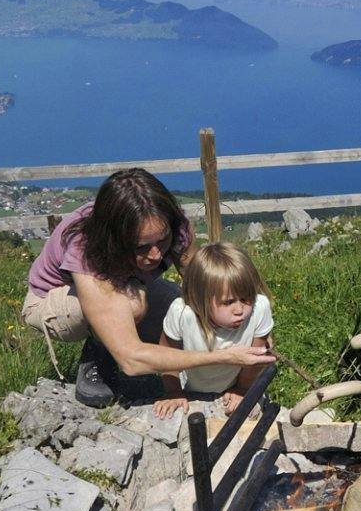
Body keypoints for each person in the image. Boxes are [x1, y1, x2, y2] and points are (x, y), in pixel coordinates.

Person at [21, 168, 270, 407]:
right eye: (141, 247)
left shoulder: (170, 222)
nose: (155, 255)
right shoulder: (87, 247)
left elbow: (201, 286)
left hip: (130, 285)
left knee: (181, 308)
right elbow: (132, 360)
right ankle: (98, 353)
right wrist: (223, 356)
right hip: (54, 301)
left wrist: (252, 328)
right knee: (132, 304)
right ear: (115, 240)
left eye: (163, 241)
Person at [154, 241, 275, 419]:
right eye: (228, 302)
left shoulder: (259, 307)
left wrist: (242, 389)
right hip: (194, 386)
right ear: (200, 298)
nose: (240, 310)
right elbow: (165, 354)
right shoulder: (182, 313)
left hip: (243, 381)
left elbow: (254, 360)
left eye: (246, 298)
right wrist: (173, 392)